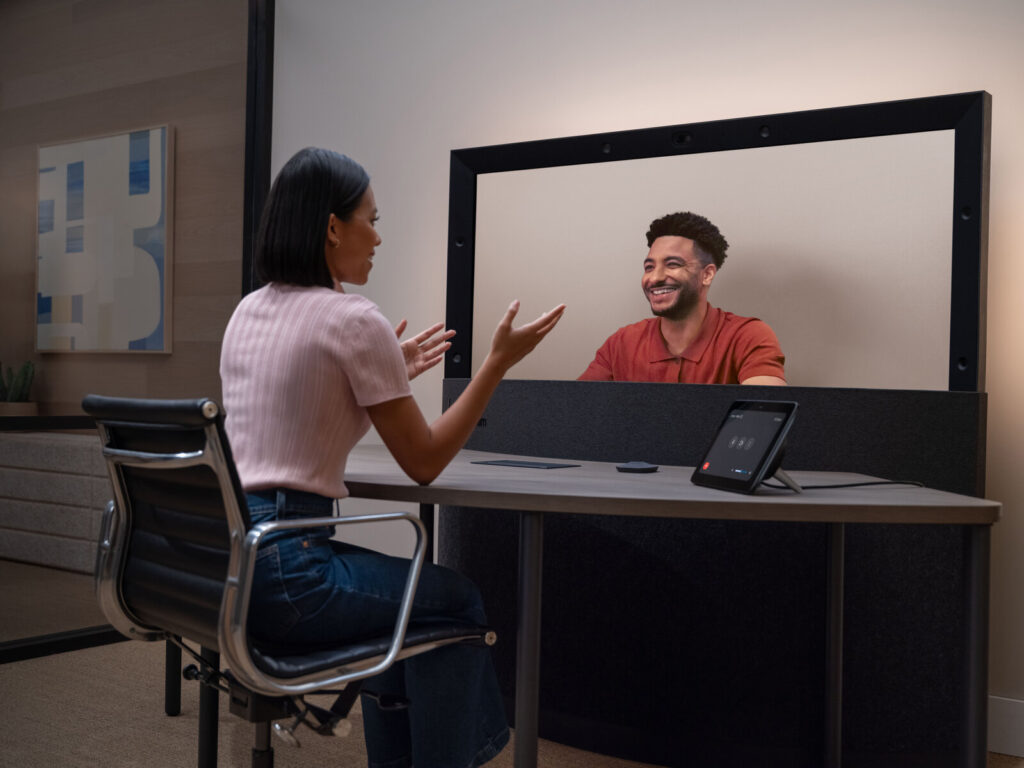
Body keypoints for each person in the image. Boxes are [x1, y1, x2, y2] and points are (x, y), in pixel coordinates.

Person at [219, 147, 565, 768]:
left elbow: (292, 412)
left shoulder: (249, 310)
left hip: (234, 565)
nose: (378, 238)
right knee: (456, 603)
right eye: (371, 220)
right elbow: (425, 462)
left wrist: (386, 368)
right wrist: (496, 365)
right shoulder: (353, 318)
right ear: (332, 227)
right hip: (295, 572)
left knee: (407, 608)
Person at [578, 211, 785, 384]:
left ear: (707, 274)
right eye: (649, 267)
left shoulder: (747, 336)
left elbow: (764, 417)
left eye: (673, 264)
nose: (655, 277)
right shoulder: (621, 343)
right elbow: (574, 411)